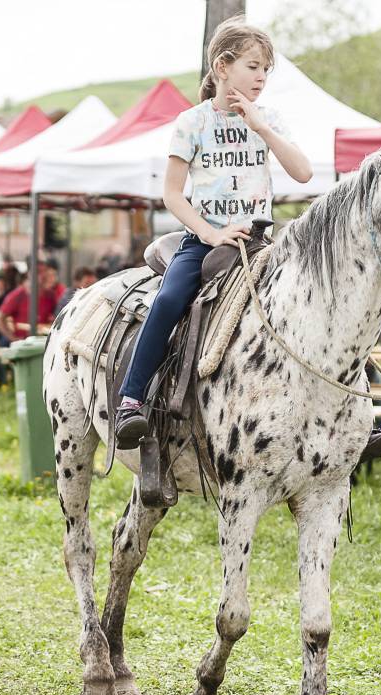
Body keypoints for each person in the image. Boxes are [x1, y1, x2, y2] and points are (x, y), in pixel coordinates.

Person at [113, 16, 313, 448]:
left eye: (265, 70)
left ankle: (363, 415)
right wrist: (210, 233)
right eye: (253, 66)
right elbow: (172, 194)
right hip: (205, 242)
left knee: (316, 293)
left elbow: (303, 172)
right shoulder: (193, 122)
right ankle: (131, 399)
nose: (261, 77)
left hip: (261, 243)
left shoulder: (269, 118)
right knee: (168, 300)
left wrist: (261, 127)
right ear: (222, 67)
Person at [0, 261, 65, 341]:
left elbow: (57, 316)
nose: (43, 275)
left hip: (42, 341)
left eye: (45, 271)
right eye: (39, 272)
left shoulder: (51, 295)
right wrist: (13, 339)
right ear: (30, 275)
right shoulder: (19, 294)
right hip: (23, 342)